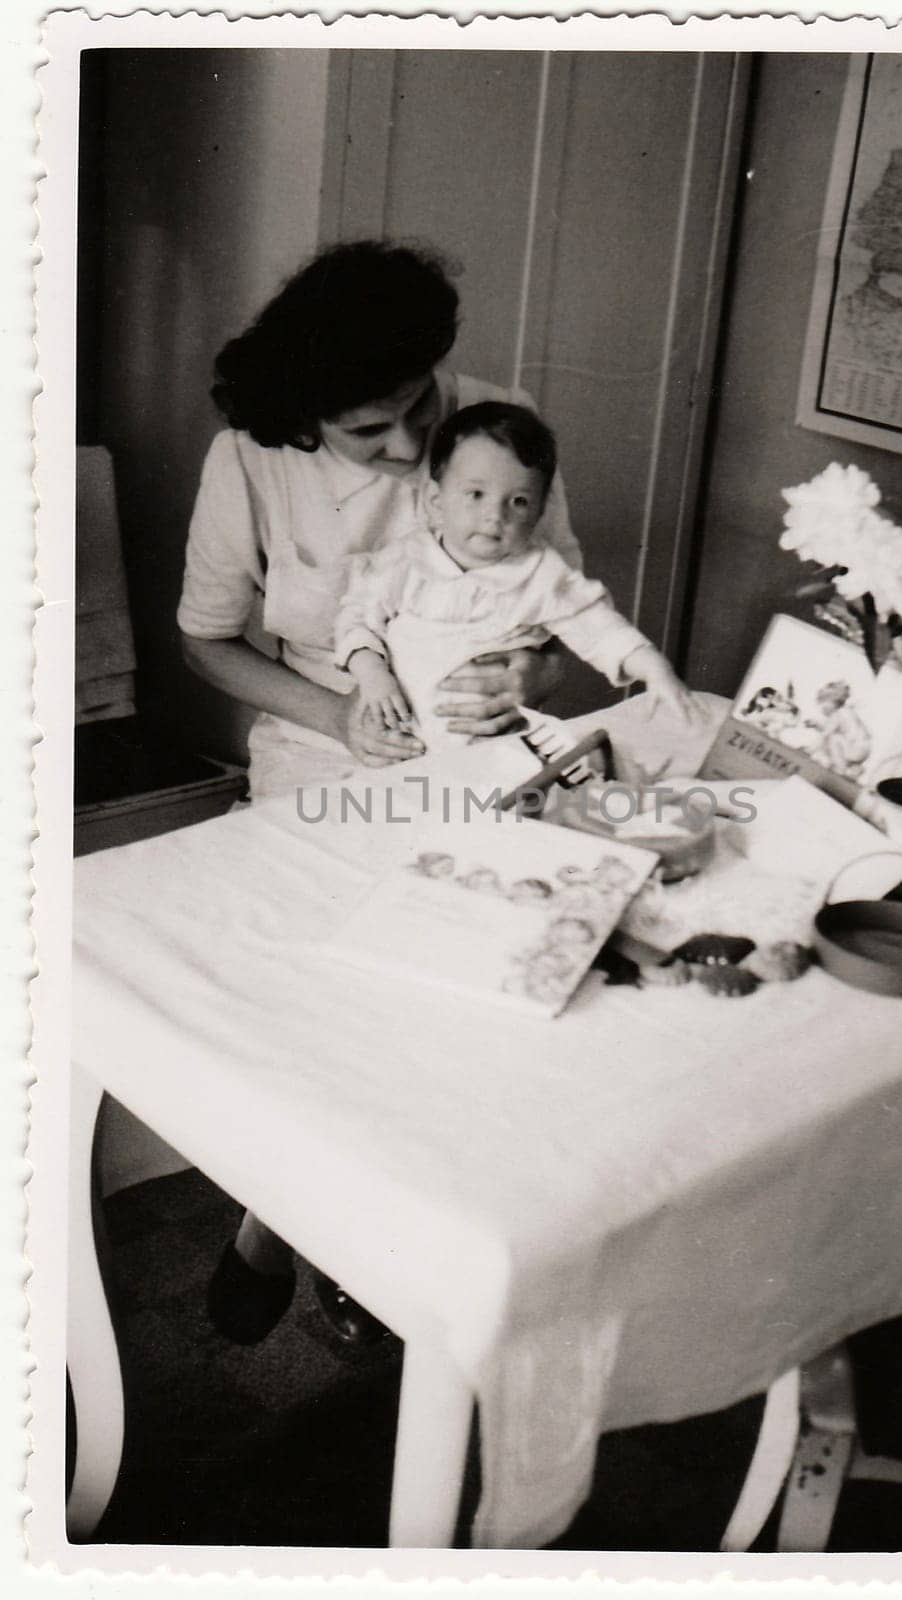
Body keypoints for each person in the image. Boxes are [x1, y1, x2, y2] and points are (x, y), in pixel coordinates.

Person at [178, 241, 579, 1349]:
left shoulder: (503, 421)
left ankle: (361, 1248)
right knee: (319, 1010)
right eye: (369, 430)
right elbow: (207, 640)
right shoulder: (249, 459)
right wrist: (339, 721)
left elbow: (559, 622)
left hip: (478, 747)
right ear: (306, 418)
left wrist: (525, 675)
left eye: (417, 406)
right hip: (321, 748)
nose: (409, 447)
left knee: (453, 1010)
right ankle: (281, 1222)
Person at [336, 403, 699, 748]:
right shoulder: (404, 562)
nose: (495, 515)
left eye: (518, 501)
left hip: (494, 744)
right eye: (476, 494)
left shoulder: (541, 574)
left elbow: (599, 627)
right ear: (435, 500)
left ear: (539, 513)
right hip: (401, 740)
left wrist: (654, 669)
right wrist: (372, 675)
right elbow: (356, 621)